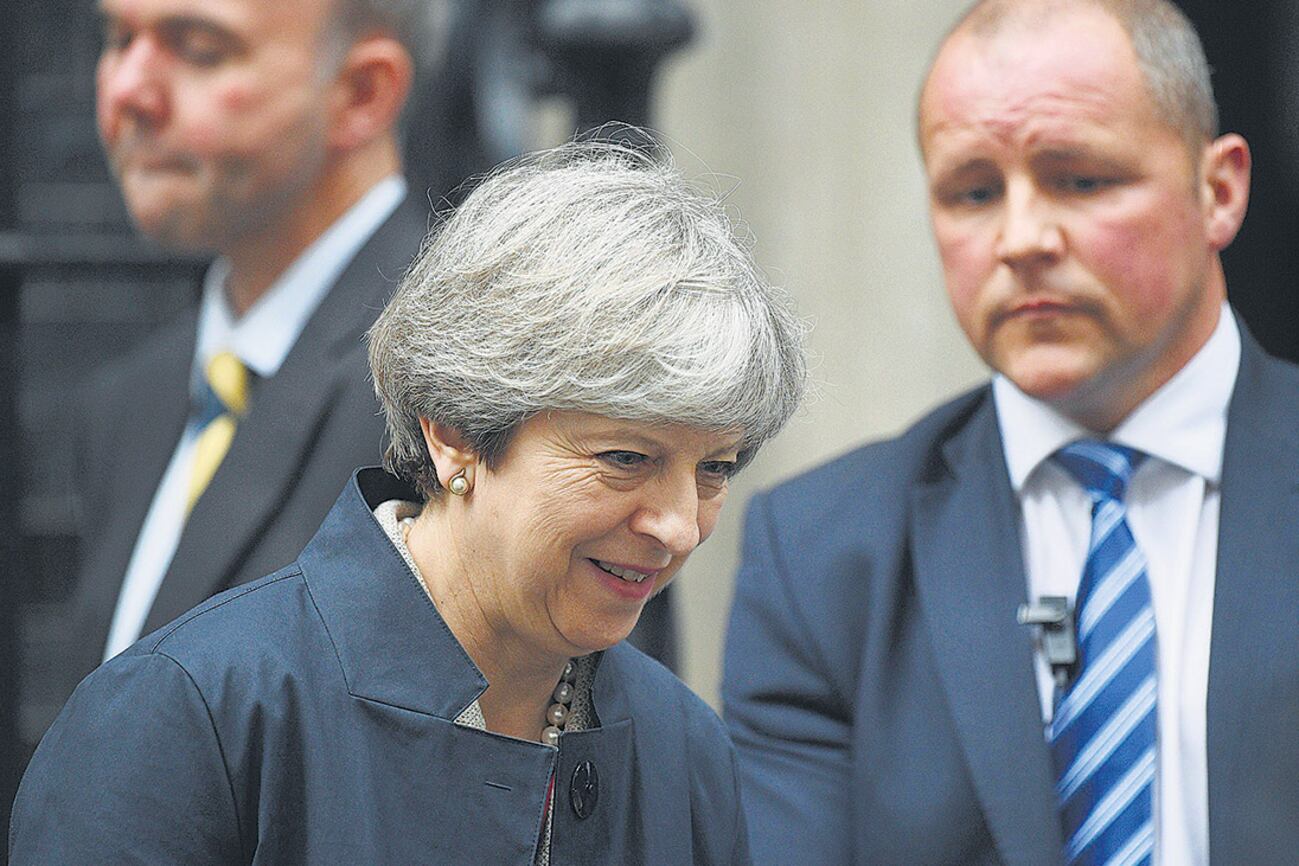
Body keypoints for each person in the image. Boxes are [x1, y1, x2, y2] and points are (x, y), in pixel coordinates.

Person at [11, 138, 808, 864]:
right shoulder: (190, 716)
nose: (676, 525)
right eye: (625, 458)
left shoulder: (683, 750)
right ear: (455, 432)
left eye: (715, 469)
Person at [723, 0, 1294, 863]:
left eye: (1079, 179)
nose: (1021, 238)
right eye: (974, 192)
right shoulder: (820, 558)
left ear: (1217, 191)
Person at [57, 0, 437, 713]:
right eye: (118, 38)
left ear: (363, 92)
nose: (126, 91)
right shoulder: (129, 402)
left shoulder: (460, 400)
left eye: (199, 48)